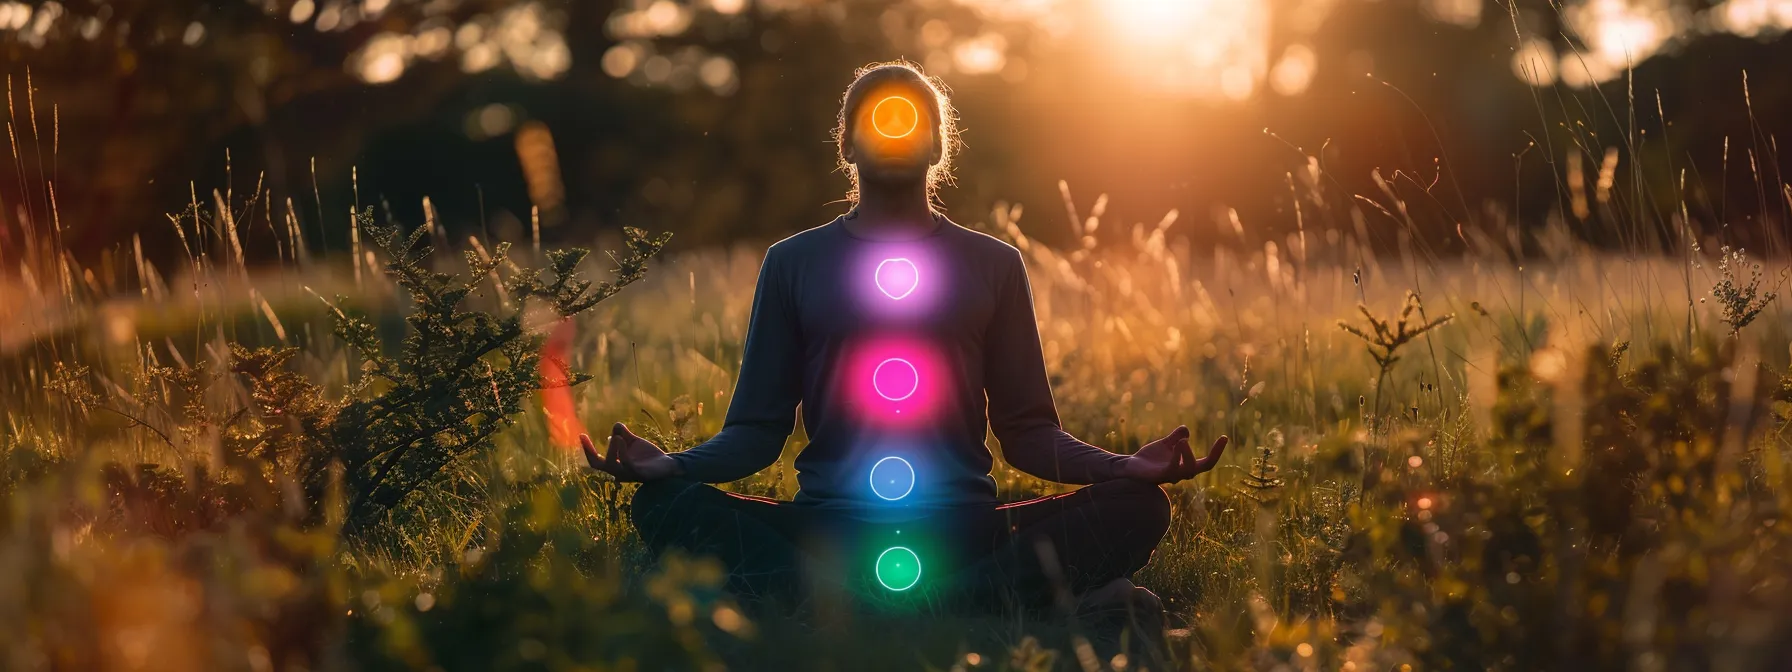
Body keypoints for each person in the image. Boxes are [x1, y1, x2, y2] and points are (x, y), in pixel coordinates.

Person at [582, 61, 1227, 632]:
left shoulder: (993, 264)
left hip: (963, 526)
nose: (894, 133)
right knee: (665, 506)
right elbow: (755, 430)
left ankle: (857, 605)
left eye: (910, 121)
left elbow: (1029, 432)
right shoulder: (793, 263)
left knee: (1138, 507)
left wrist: (1122, 470)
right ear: (847, 144)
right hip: (828, 526)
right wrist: (674, 468)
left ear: (937, 145)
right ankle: (996, 603)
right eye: (876, 121)